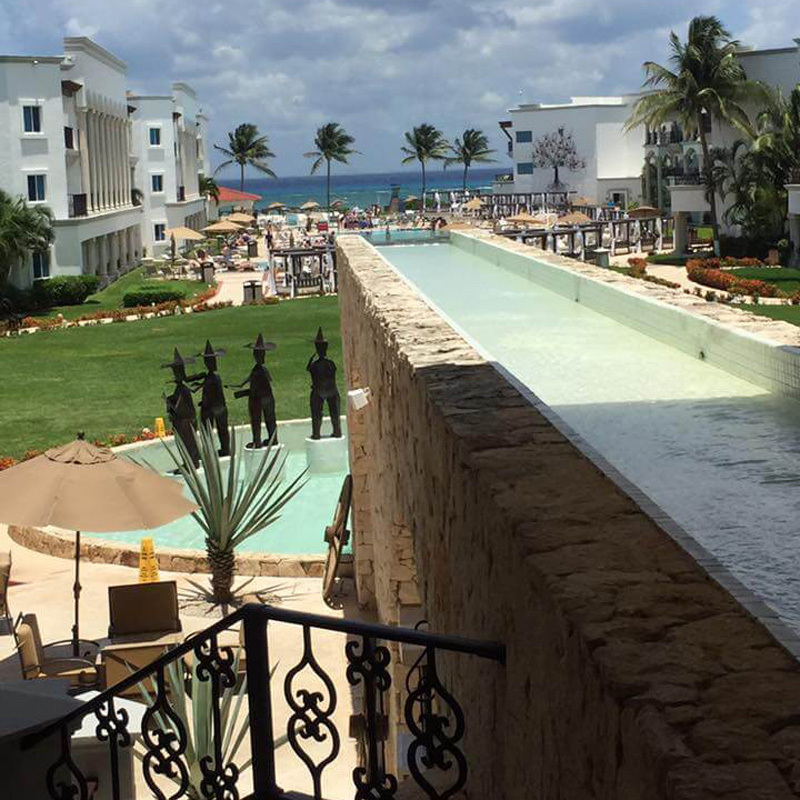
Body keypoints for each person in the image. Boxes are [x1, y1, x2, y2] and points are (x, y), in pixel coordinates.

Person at [228, 333, 278, 448]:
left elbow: (255, 389)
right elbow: (247, 381)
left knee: (257, 419)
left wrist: (243, 392)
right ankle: (272, 438)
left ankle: (258, 441)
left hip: (260, 399)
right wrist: (238, 387)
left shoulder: (259, 371)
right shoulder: (260, 370)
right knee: (270, 419)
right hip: (268, 399)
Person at [187, 340, 230, 456]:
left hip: (215, 408)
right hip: (215, 407)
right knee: (214, 429)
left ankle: (223, 449)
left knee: (216, 429)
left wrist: (204, 403)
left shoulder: (214, 378)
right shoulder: (210, 377)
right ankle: (214, 449)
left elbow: (211, 394)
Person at [307, 327, 342, 439]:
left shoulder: (315, 364)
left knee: (316, 412)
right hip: (331, 390)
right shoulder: (330, 363)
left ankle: (316, 433)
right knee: (334, 412)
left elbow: (311, 374)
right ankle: (337, 431)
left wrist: (311, 359)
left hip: (319, 391)